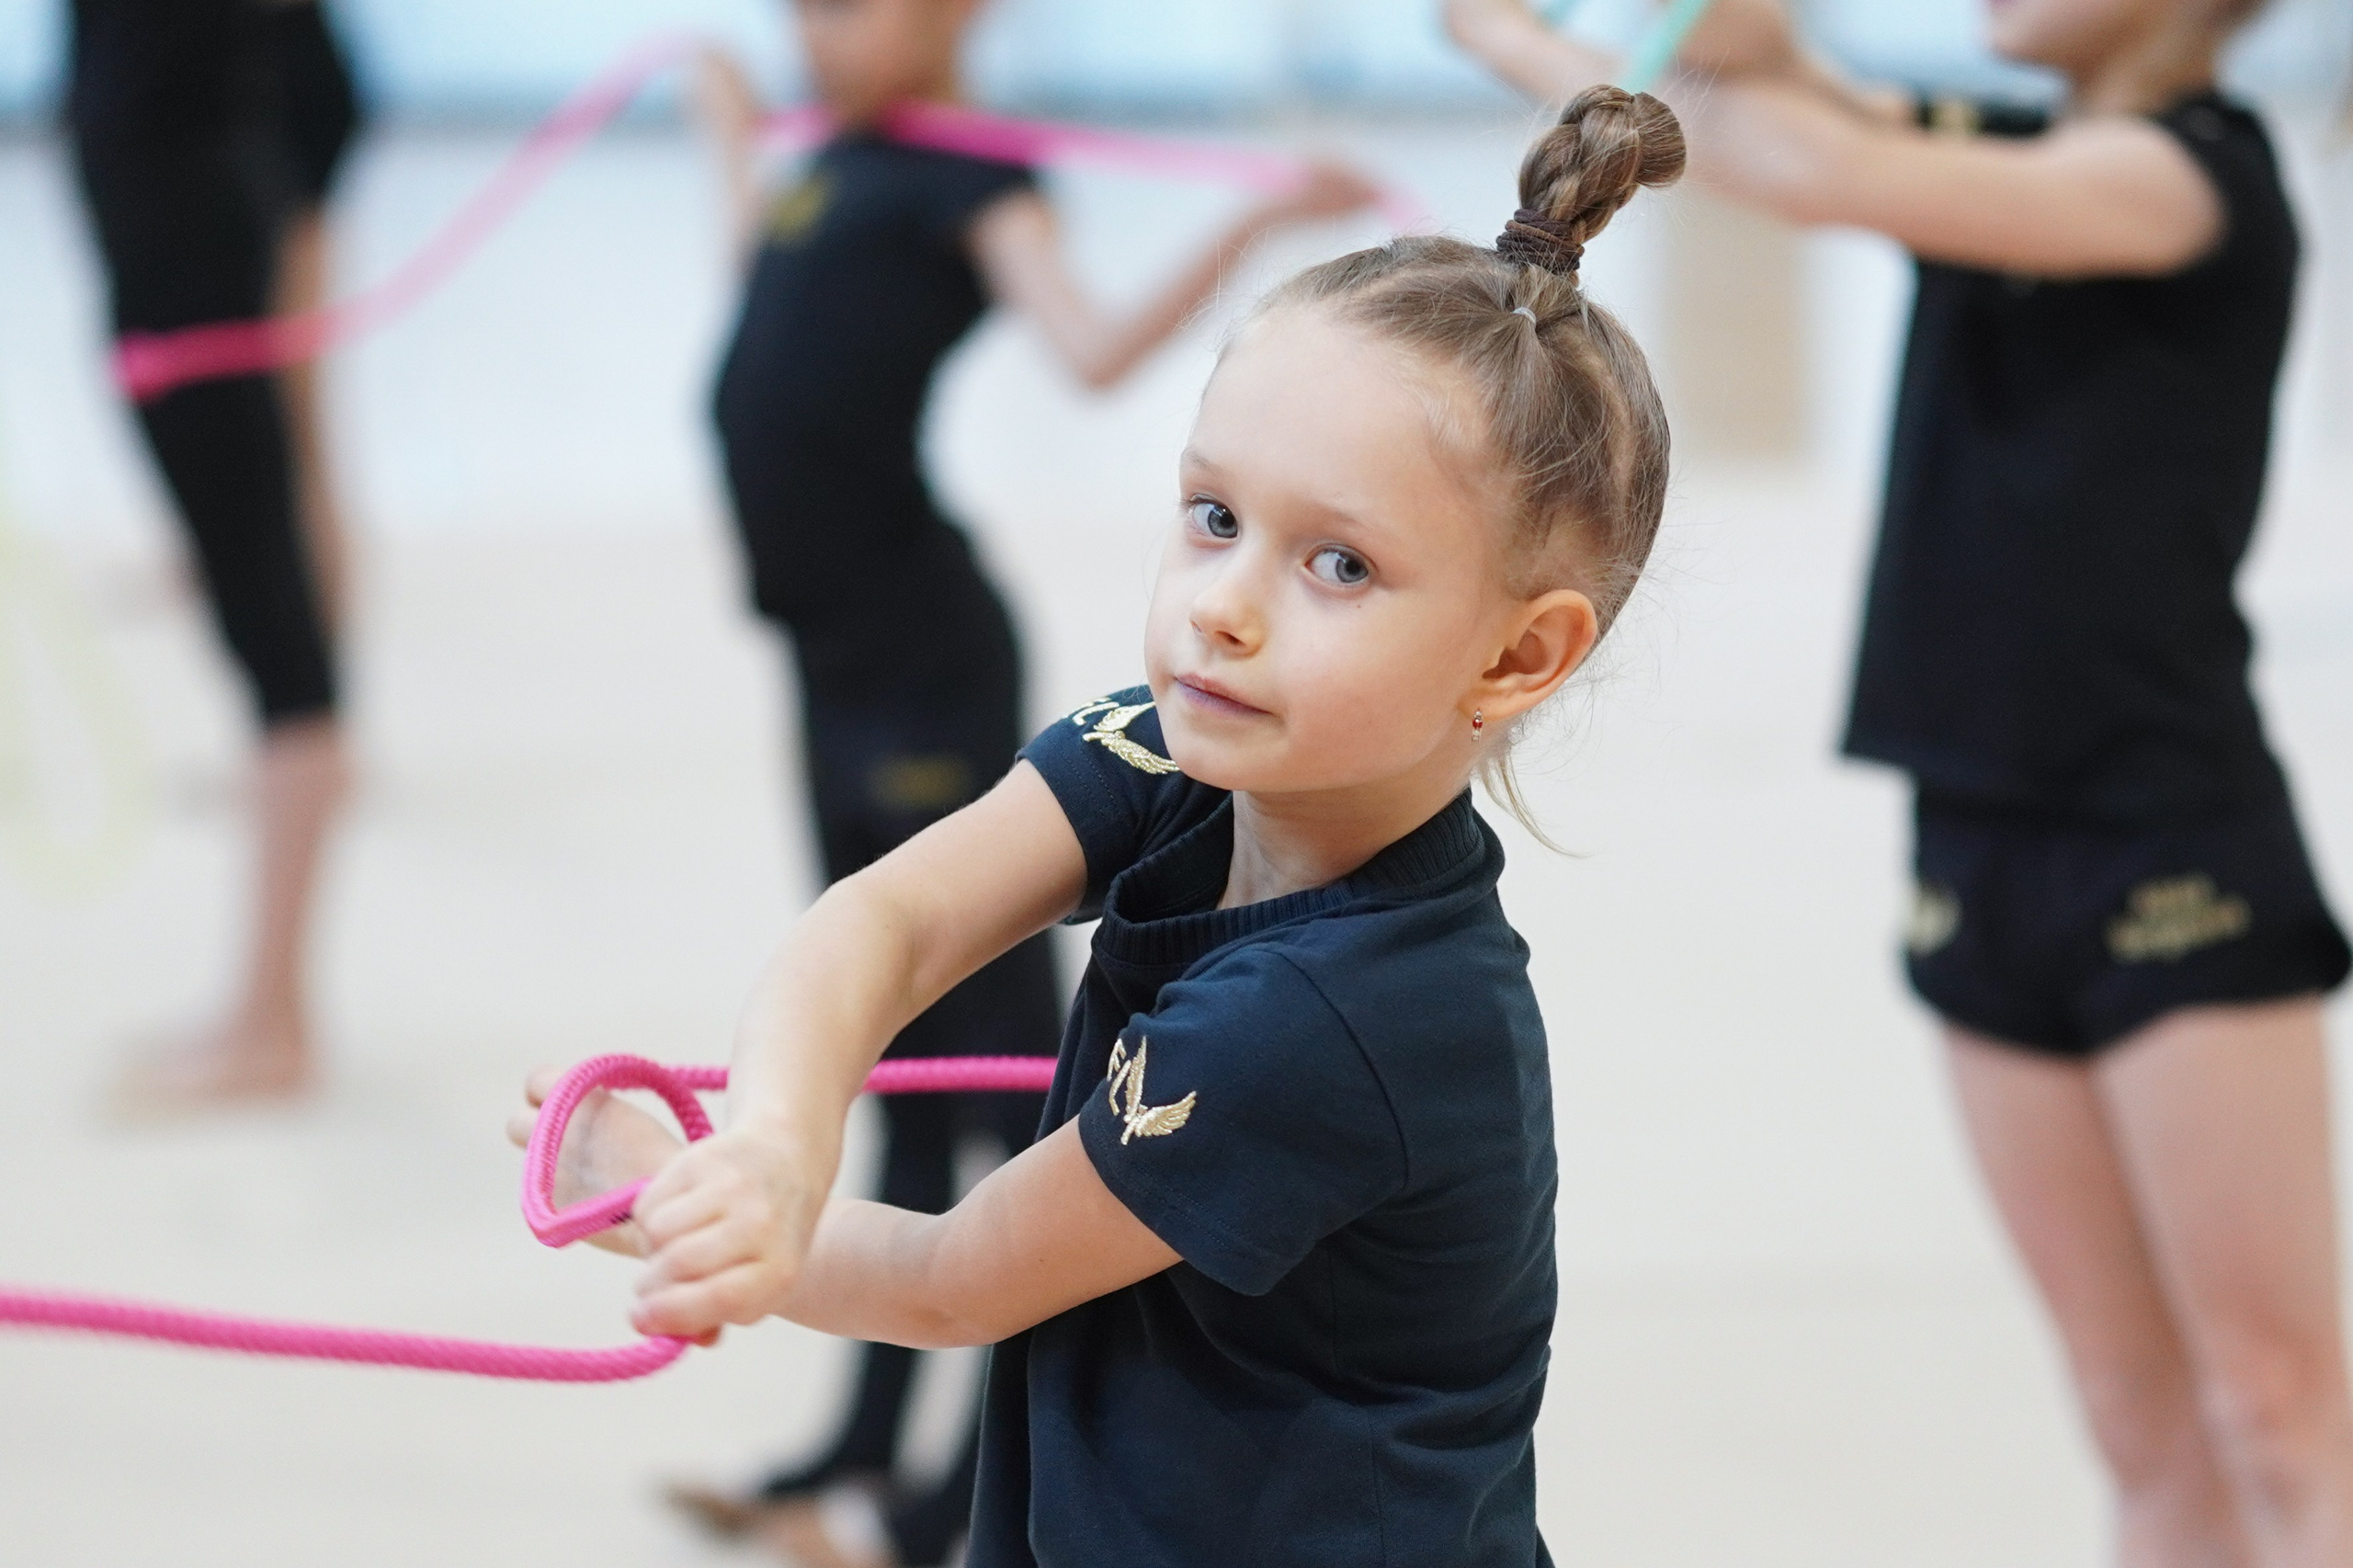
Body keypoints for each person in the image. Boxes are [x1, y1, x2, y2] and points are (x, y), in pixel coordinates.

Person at [514, 82, 1688, 1568]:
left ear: (1518, 656)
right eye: (1211, 516)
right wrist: (771, 1138)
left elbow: (953, 1279)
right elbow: (895, 916)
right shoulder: (1180, 750)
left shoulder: (1336, 1018)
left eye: (1336, 563)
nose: (1224, 608)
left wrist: (693, 1207)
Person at [1447, 3, 2353, 1562]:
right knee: (2135, 1420)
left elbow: (1808, 171)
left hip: (2171, 833)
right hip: (1976, 831)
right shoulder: (2014, 142)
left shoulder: (2192, 178)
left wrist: (1523, 51)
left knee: (2279, 1411)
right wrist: (1742, 40)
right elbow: (1798, 105)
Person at [665, 2, 1382, 1561]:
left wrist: (1262, 210)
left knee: (1001, 1090)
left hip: (919, 655)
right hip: (834, 661)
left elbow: (1094, 347)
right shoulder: (837, 159)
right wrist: (730, 136)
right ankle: (851, 1454)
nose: (816, 29)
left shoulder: (970, 174)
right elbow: (764, 333)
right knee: (885, 1058)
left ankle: (950, 1503)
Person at [67, 0, 363, 1115]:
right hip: (173, 240)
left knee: (276, 638)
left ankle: (272, 1022)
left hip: (194, 249)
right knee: (268, 586)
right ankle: (268, 1012)